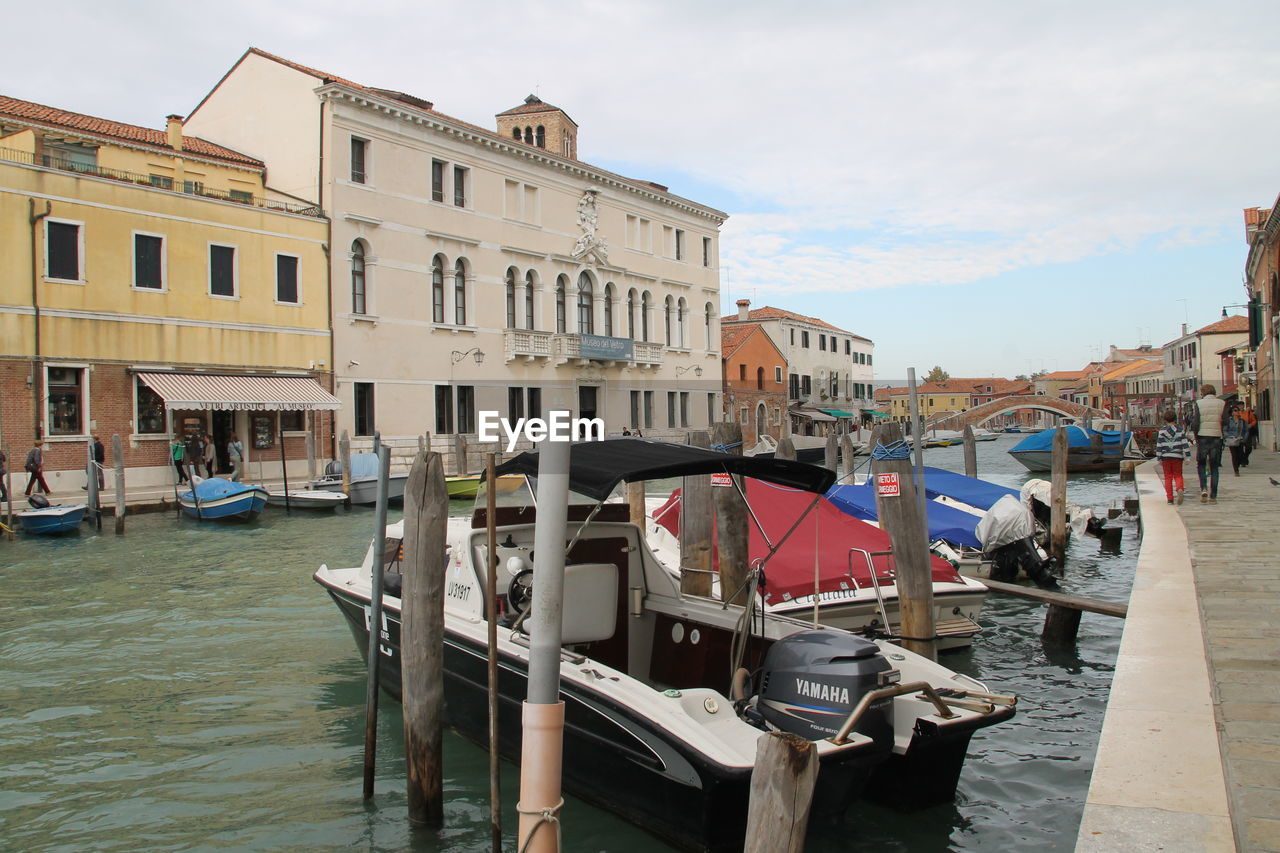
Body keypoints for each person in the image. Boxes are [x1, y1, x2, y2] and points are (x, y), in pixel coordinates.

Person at [1188, 383, 1227, 504]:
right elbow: (1225, 421)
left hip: (1203, 436)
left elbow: (1195, 423)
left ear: (1203, 392)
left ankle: (1204, 488)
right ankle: (1213, 496)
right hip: (1216, 437)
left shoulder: (1199, 404)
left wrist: (1196, 437)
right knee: (1214, 467)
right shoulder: (1222, 403)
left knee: (1201, 464)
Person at [1155, 410, 1189, 505]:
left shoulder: (1162, 431)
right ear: (1175, 419)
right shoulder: (1180, 430)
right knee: (1178, 475)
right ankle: (1179, 489)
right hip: (1177, 456)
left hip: (1166, 457)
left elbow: (1159, 445)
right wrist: (1187, 457)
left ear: (1165, 420)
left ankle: (1170, 499)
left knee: (1168, 477)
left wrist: (1159, 457)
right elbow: (1185, 444)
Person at [1223, 406, 1249, 477]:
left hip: (1240, 440)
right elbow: (1225, 430)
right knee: (1234, 455)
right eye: (1235, 410)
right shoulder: (1228, 421)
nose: (1237, 412)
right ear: (1232, 413)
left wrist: (1244, 438)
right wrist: (1228, 436)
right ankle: (1236, 470)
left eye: (1238, 410)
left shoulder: (1242, 421)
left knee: (1240, 454)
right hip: (1232, 440)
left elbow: (1246, 430)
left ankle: (1238, 464)